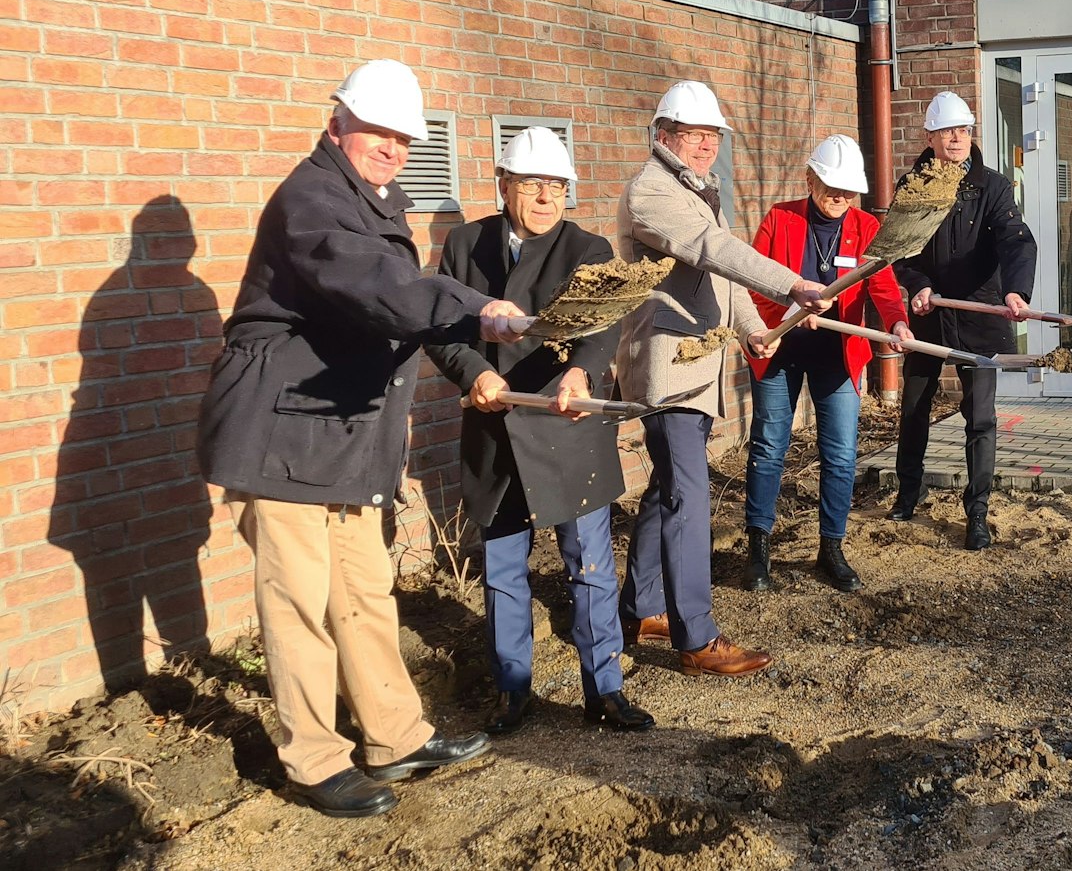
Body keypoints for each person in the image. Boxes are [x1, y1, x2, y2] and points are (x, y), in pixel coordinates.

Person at [197, 59, 526, 818]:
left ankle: (395, 733)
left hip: (336, 434)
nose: (393, 147)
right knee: (299, 602)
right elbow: (370, 282)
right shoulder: (310, 200)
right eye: (378, 130)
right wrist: (473, 305)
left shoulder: (374, 198)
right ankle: (312, 759)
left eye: (404, 137)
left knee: (364, 592)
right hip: (281, 435)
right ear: (336, 120)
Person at [425, 127, 654, 736]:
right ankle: (512, 689)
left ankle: (604, 689)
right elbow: (445, 327)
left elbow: (602, 327)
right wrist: (474, 373)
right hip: (496, 426)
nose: (547, 197)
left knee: (589, 565)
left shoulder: (588, 248)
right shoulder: (465, 245)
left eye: (557, 186)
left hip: (566, 423)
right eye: (533, 185)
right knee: (502, 568)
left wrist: (582, 370)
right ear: (504, 185)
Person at [615, 79, 831, 675]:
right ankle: (696, 638)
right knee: (689, 495)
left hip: (699, 365)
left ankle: (640, 604)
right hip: (669, 367)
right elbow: (710, 249)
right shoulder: (651, 194)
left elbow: (724, 278)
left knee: (668, 488)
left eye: (711, 137)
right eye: (693, 135)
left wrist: (752, 328)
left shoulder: (700, 190)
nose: (706, 146)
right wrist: (791, 283)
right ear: (663, 136)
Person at [743, 135, 914, 592]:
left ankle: (831, 546)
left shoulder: (864, 226)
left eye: (847, 191)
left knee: (839, 454)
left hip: (838, 355)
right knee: (769, 447)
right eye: (830, 187)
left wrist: (897, 323)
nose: (839, 198)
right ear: (810, 179)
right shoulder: (781, 218)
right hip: (780, 349)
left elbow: (882, 285)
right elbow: (755, 282)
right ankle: (758, 546)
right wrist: (788, 314)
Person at [890, 90, 1038, 550]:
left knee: (980, 416)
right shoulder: (913, 187)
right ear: (930, 136)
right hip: (930, 312)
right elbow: (898, 251)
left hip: (979, 311)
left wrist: (1016, 289)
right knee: (914, 408)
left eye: (963, 130)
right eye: (947, 131)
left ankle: (977, 512)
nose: (956, 139)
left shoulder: (991, 186)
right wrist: (917, 286)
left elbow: (1015, 241)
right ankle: (907, 494)